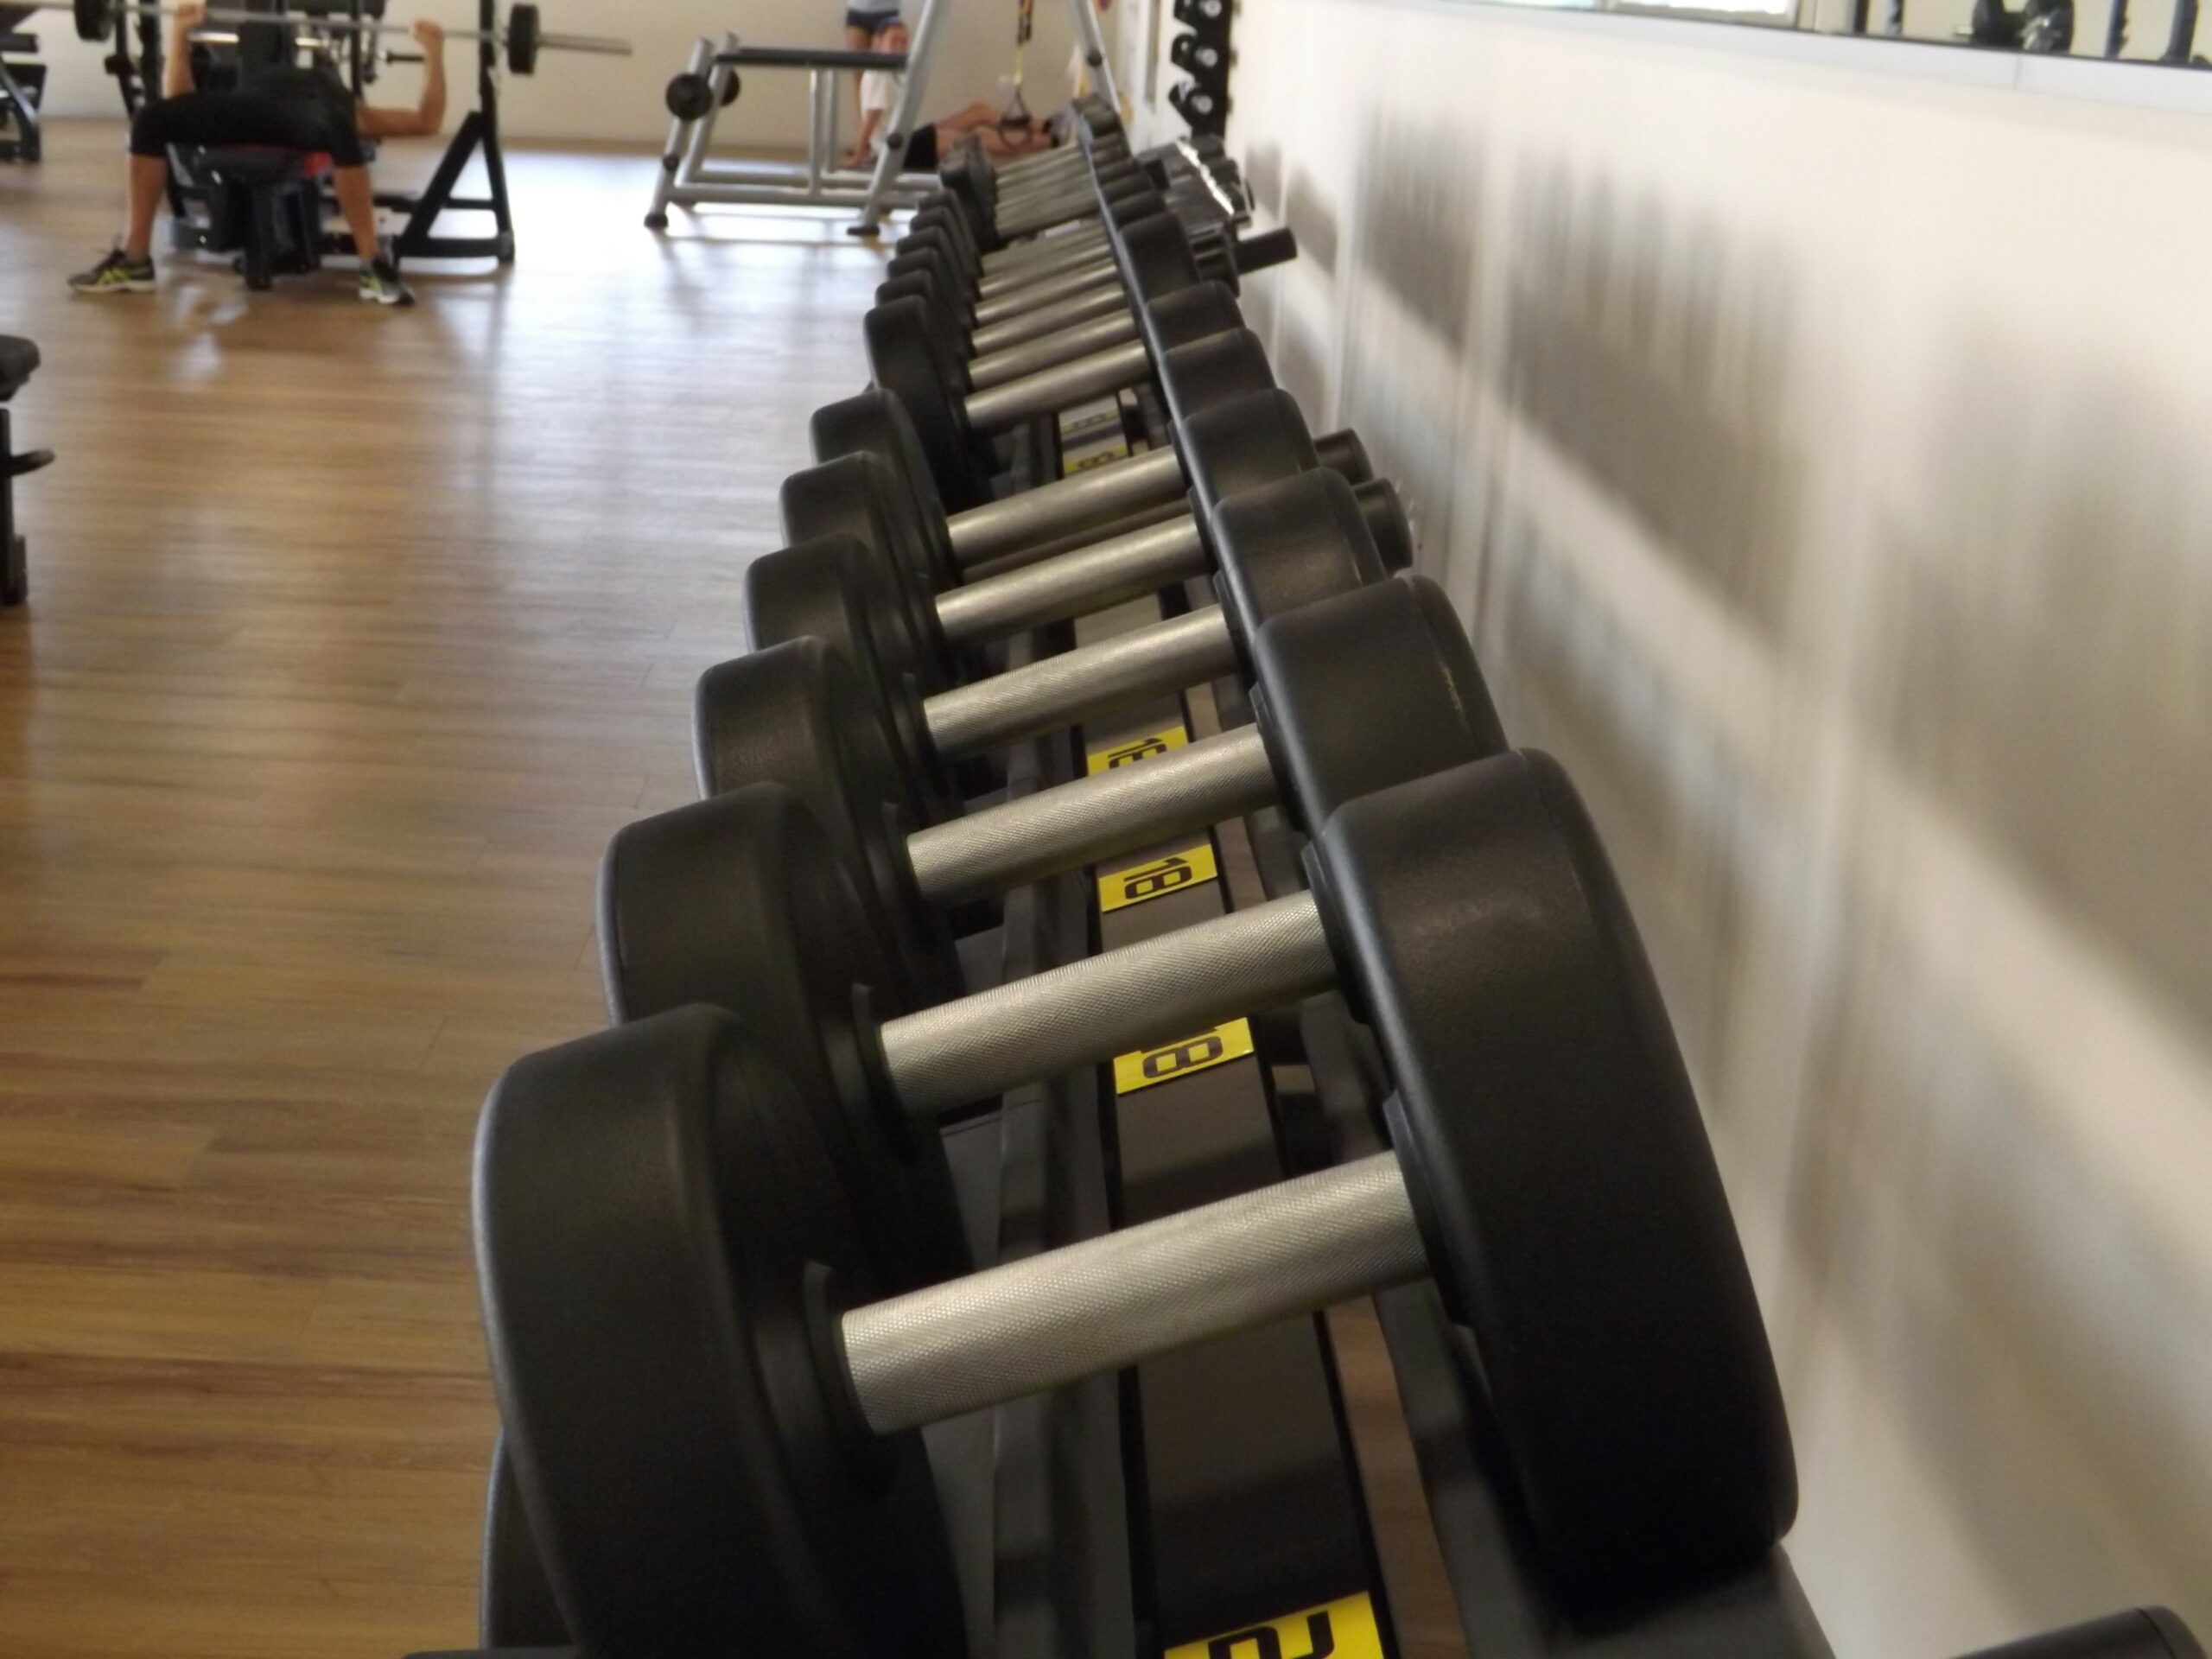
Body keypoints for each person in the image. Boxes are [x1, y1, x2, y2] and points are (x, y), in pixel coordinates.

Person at [68, 3, 448, 305]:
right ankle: (135, 260)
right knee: (150, 119)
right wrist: (180, 32)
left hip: (300, 120)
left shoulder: (340, 104)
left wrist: (434, 51)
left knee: (340, 125)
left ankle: (372, 265)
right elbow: (180, 102)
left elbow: (427, 121)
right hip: (240, 109)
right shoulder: (242, 73)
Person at [845, 21, 1058, 172]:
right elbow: (871, 120)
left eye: (904, 41)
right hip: (899, 148)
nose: (900, 46)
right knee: (977, 140)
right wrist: (859, 156)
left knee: (978, 111)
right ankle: (1053, 141)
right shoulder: (878, 73)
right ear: (878, 41)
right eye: (894, 41)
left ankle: (1046, 126)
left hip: (911, 135)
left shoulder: (897, 70)